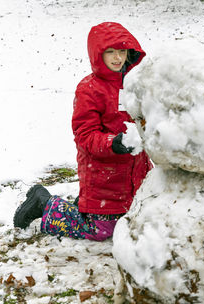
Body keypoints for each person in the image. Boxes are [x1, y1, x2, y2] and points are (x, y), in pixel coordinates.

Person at [13, 22, 153, 241]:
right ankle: (43, 203)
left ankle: (87, 208)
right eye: (110, 52)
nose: (117, 58)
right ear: (98, 54)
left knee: (138, 222)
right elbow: (85, 135)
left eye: (122, 51)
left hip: (136, 174)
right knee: (101, 231)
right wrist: (113, 143)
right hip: (105, 175)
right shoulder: (89, 89)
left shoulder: (136, 84)